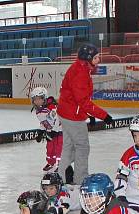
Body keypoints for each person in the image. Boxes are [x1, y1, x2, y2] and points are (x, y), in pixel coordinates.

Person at [56, 43, 113, 185]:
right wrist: (104, 115)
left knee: (69, 147)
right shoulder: (80, 73)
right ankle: (80, 180)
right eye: (96, 57)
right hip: (72, 117)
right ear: (87, 58)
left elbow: (79, 99)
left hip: (68, 113)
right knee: (82, 147)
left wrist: (89, 115)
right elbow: (83, 101)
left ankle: (60, 178)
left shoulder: (80, 68)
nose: (98, 60)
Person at [30, 86, 63, 172]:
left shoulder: (51, 108)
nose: (37, 101)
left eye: (39, 99)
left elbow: (57, 119)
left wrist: (54, 131)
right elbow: (43, 122)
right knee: (50, 149)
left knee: (59, 149)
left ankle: (61, 165)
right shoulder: (38, 111)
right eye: (35, 99)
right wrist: (40, 133)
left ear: (44, 98)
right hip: (50, 132)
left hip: (59, 132)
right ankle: (51, 163)